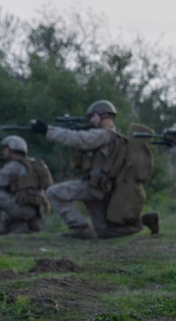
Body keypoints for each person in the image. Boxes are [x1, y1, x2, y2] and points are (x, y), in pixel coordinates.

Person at [38, 100, 159, 239]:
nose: (90, 120)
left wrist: (47, 130)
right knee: (104, 232)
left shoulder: (103, 135)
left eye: (93, 116)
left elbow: (79, 139)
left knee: (54, 192)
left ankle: (80, 229)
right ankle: (144, 221)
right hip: (101, 187)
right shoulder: (114, 136)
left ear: (105, 116)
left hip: (97, 189)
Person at [0, 135, 51, 234]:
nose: (2, 152)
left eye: (5, 149)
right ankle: (26, 225)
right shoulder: (31, 163)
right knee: (11, 228)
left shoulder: (13, 166)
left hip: (23, 208)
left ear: (12, 150)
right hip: (34, 209)